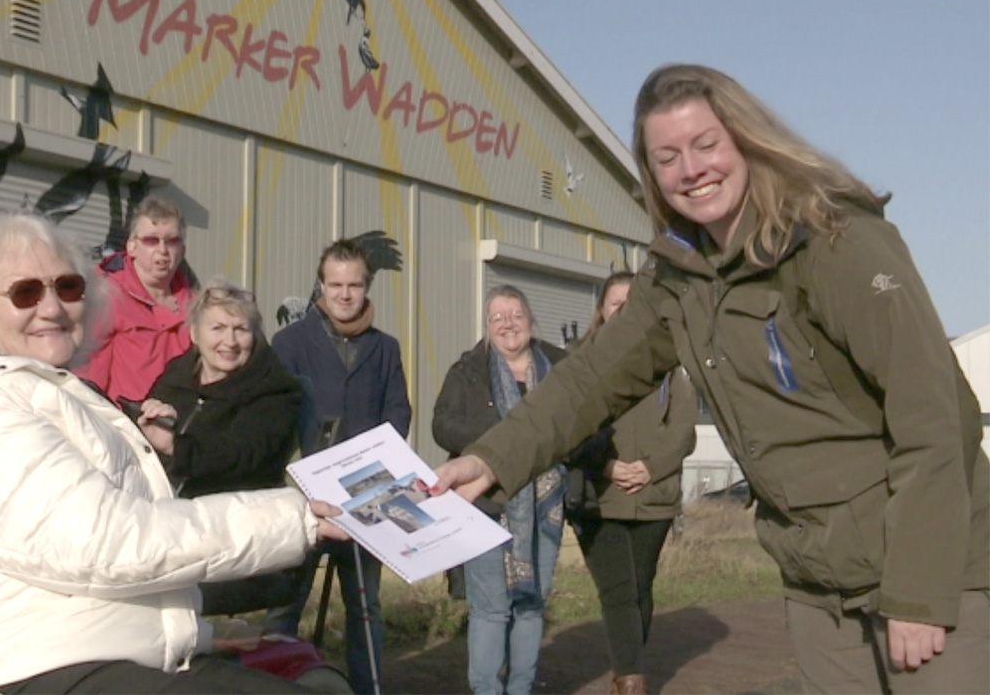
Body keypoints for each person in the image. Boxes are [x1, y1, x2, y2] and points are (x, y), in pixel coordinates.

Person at [433, 64, 989, 695]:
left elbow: (935, 416)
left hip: (928, 564)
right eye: (666, 157)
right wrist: (491, 458)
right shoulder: (676, 276)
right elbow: (586, 380)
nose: (690, 170)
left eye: (705, 145)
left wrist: (918, 590)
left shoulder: (836, 240)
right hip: (816, 578)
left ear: (745, 141)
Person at [0, 212, 346, 694]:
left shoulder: (58, 396)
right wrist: (295, 517)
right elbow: (114, 543)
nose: (51, 308)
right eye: (24, 292)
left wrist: (203, 637)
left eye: (67, 286)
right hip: (21, 671)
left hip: (88, 654)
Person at [263, 238, 412, 695]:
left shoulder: (384, 348)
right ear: (321, 287)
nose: (345, 294)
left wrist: (370, 468)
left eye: (354, 285)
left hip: (366, 496)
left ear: (367, 288)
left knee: (365, 611)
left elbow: (398, 413)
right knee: (284, 606)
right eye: (335, 285)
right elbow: (273, 415)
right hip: (304, 498)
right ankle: (272, 685)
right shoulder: (289, 343)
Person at [563, 272, 697, 695]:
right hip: (598, 500)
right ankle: (631, 682)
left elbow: (684, 429)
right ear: (601, 310)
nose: (621, 308)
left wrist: (652, 466)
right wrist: (604, 466)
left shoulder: (669, 363)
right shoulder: (579, 360)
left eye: (630, 301)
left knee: (640, 589)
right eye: (614, 301)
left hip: (653, 497)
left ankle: (628, 669)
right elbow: (564, 428)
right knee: (619, 591)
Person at [432, 285, 566, 695]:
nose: (508, 324)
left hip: (545, 508)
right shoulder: (467, 371)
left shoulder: (560, 367)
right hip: (487, 506)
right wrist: (504, 441)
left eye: (516, 315)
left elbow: (583, 424)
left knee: (530, 606)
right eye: (498, 318)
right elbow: (443, 425)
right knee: (491, 609)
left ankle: (521, 689)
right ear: (487, 328)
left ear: (531, 320)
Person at [143, 276, 302, 499]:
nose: (230, 341)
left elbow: (242, 454)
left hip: (238, 513)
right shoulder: (176, 376)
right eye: (217, 328)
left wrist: (175, 447)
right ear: (195, 334)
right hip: (167, 509)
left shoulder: (274, 389)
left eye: (241, 329)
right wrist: (149, 418)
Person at [77, 194, 197, 404]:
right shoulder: (107, 297)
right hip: (126, 428)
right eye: (151, 240)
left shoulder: (197, 306)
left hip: (182, 428)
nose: (162, 250)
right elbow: (87, 380)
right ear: (131, 247)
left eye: (172, 241)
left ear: (183, 250)